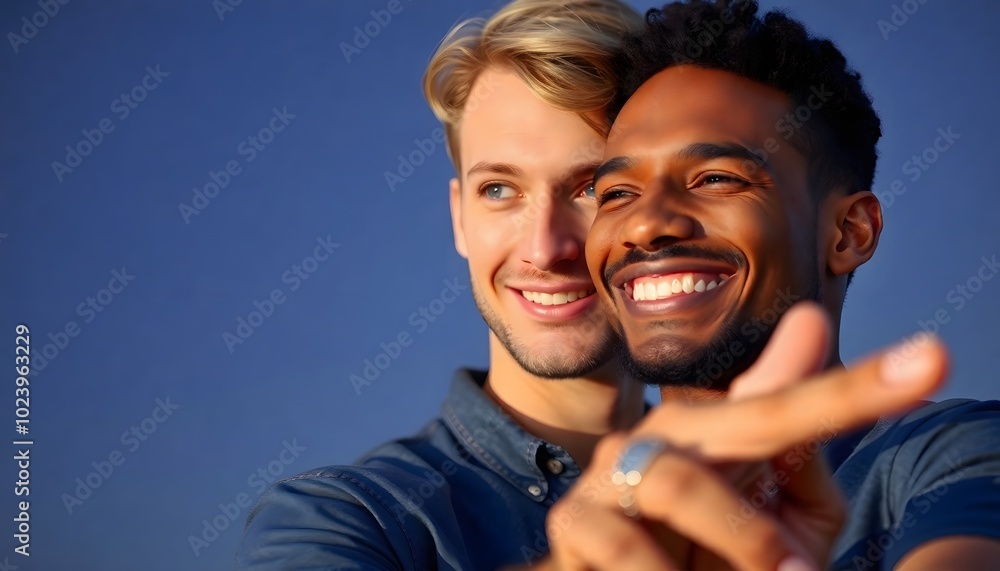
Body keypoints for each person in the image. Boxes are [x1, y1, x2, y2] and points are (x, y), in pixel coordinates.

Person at [541, 0, 1000, 569]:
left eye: (715, 179)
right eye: (615, 194)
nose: (643, 224)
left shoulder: (957, 452)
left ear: (849, 233)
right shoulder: (576, 523)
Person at [235, 2, 649, 569]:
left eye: (592, 188)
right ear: (460, 218)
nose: (544, 248)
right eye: (500, 190)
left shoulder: (780, 484)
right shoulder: (348, 519)